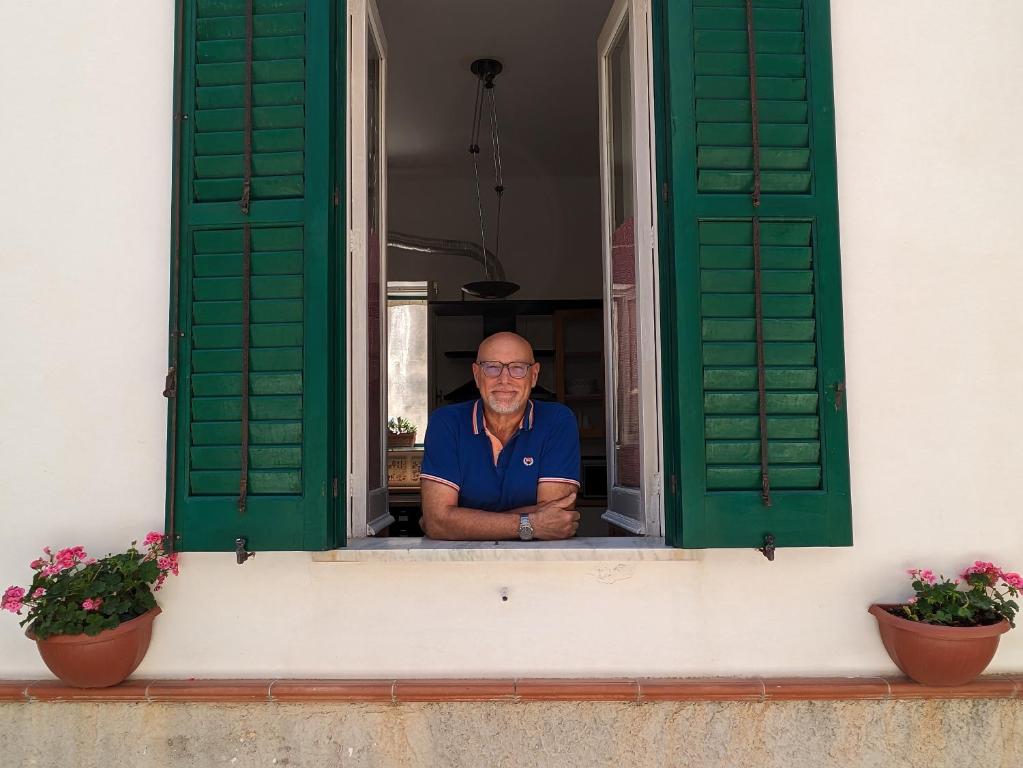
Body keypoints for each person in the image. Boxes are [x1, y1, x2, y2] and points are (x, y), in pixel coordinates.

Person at [419, 331, 581, 541]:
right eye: (492, 367)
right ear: (477, 375)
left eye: (518, 368)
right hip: (461, 565)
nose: (504, 380)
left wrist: (456, 521)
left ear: (534, 376)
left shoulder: (557, 420)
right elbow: (439, 522)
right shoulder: (446, 422)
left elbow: (558, 520)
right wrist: (531, 523)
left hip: (539, 565)